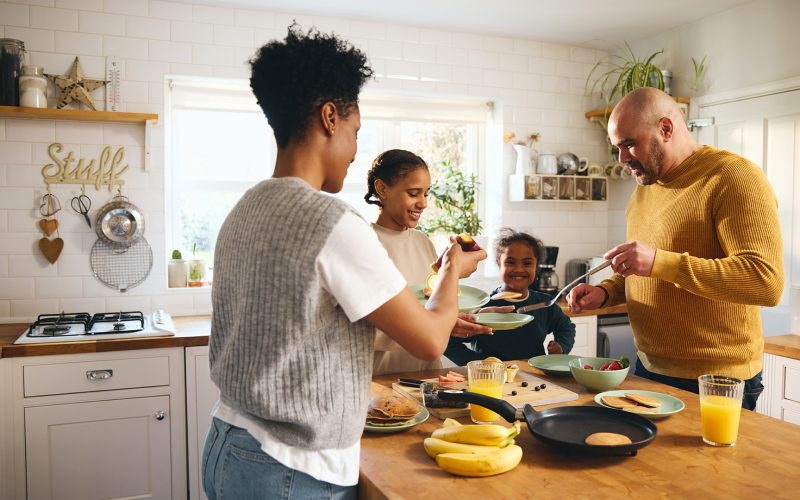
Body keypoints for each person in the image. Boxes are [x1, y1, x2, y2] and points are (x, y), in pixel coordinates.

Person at [203, 25, 485, 500]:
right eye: (355, 132)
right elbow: (429, 338)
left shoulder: (246, 208)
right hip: (291, 470)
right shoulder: (333, 222)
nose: (356, 151)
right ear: (329, 117)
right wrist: (454, 270)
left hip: (229, 444)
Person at [566, 87, 784, 410]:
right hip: (649, 369)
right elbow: (644, 271)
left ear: (665, 129)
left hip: (716, 380)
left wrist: (658, 261)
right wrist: (607, 292)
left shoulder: (733, 178)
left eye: (629, 144)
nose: (623, 159)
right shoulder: (643, 191)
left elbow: (765, 281)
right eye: (618, 149)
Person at [364, 149, 505, 374]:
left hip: (428, 377)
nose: (423, 204)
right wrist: (429, 328)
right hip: (382, 380)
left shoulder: (423, 242)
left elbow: (429, 304)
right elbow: (366, 329)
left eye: (426, 194)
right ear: (382, 189)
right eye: (413, 193)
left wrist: (455, 320)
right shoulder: (365, 243)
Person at [445, 228, 576, 364]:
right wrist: (478, 364)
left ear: (537, 265)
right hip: (491, 381)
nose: (519, 269)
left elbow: (566, 327)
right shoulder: (482, 306)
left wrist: (561, 347)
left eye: (527, 263)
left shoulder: (545, 304)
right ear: (498, 262)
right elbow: (448, 343)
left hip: (535, 378)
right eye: (510, 262)